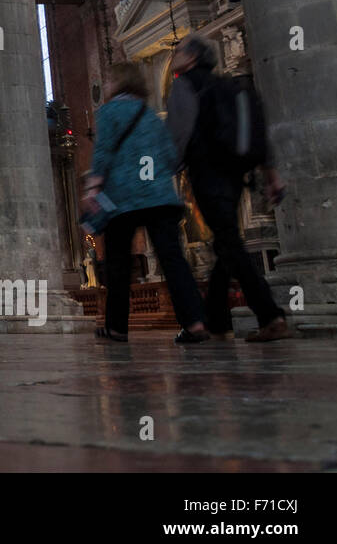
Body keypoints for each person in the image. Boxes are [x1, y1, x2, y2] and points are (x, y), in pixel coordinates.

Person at [166, 33, 289, 342]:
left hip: (207, 173)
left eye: (178, 50)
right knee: (225, 242)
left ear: (191, 58)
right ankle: (217, 321)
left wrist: (165, 169)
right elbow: (259, 133)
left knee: (229, 241)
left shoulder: (184, 84)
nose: (175, 55)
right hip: (236, 173)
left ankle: (270, 315)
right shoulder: (232, 86)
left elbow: (178, 133)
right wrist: (272, 174)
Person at [83, 63, 208, 344]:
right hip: (160, 196)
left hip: (123, 198)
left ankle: (117, 328)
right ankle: (195, 323)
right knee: (173, 261)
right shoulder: (151, 116)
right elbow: (171, 155)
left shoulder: (110, 111)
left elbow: (102, 152)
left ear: (117, 82)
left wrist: (93, 186)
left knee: (117, 264)